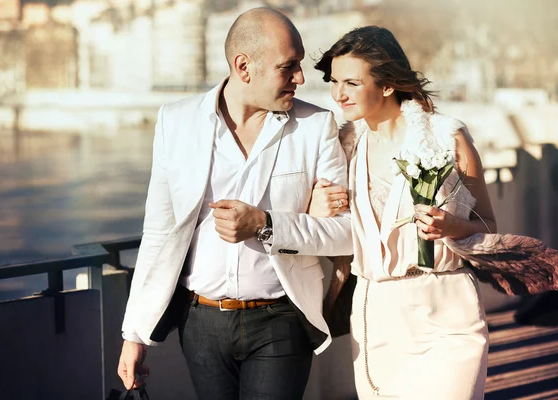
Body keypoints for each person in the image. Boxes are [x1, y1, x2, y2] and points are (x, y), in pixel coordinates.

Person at [117, 7, 353, 400]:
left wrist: (266, 224)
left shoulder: (316, 126)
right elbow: (158, 232)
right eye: (288, 66)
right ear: (244, 67)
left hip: (281, 319)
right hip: (199, 324)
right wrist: (135, 333)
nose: (300, 77)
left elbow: (345, 233)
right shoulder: (175, 122)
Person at [310, 26, 496, 399]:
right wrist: (316, 210)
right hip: (378, 315)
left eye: (351, 82)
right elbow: (330, 237)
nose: (338, 94)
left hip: (449, 310)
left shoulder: (447, 137)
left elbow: (488, 226)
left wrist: (452, 225)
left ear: (388, 85)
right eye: (334, 81)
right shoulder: (340, 150)